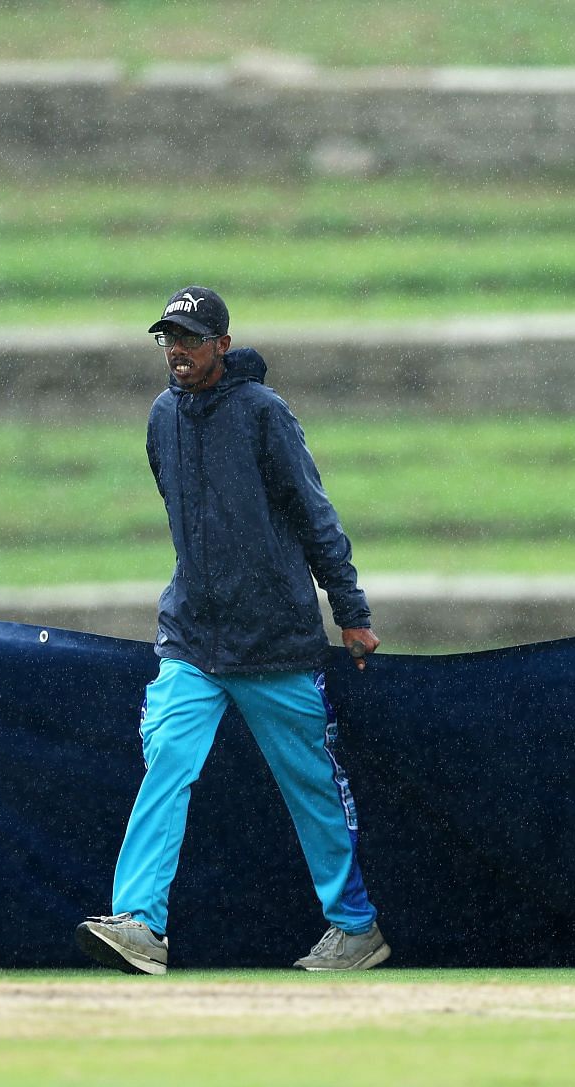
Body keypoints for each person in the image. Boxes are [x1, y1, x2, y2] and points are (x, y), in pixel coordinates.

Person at [75, 286, 388, 974]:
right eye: (168, 339)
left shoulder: (263, 414)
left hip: (275, 640)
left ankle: (356, 928)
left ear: (222, 344)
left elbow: (314, 516)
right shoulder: (162, 416)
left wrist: (352, 611)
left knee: (310, 786)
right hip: (193, 637)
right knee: (168, 762)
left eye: (190, 338)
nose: (177, 351)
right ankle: (140, 923)